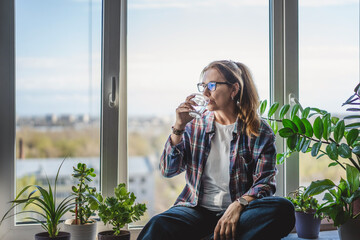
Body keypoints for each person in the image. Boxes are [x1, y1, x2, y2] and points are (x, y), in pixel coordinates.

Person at [137, 60, 295, 240]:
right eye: (203, 86)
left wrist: (238, 205)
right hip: (196, 210)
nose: (204, 93)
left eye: (211, 85)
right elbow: (168, 170)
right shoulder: (194, 125)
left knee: (283, 209)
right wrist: (179, 127)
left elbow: (265, 182)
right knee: (159, 225)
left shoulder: (258, 131)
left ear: (233, 90)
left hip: (240, 212)